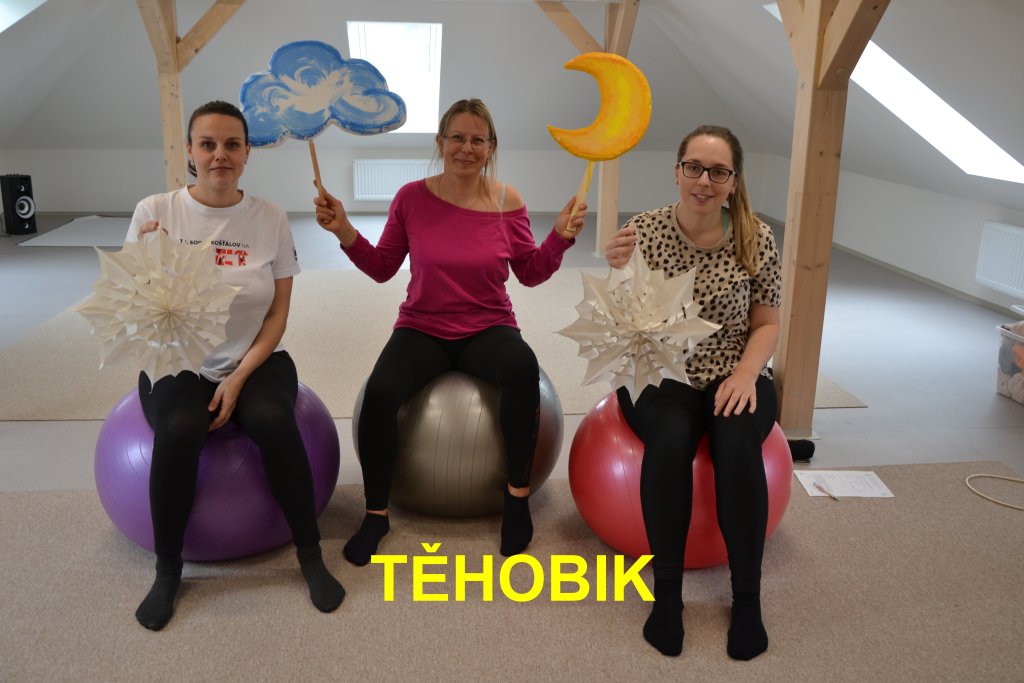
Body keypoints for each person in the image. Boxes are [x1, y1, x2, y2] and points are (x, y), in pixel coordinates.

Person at [313, 98, 587, 564]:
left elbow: (530, 272)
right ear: (440, 142)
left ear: (491, 146)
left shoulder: (507, 201)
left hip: (488, 325)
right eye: (457, 137)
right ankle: (376, 513)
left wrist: (559, 237)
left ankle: (517, 500)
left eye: (478, 140)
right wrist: (344, 230)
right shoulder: (410, 198)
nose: (467, 148)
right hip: (422, 325)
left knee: (522, 368)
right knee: (380, 393)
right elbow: (382, 267)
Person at [126, 100, 344, 631]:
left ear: (247, 153)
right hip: (178, 356)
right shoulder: (155, 211)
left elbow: (278, 313)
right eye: (208, 144)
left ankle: (310, 555)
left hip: (255, 354)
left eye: (231, 145)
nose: (219, 155)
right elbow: (134, 302)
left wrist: (241, 376)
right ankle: (168, 571)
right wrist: (151, 267)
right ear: (190, 152)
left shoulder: (269, 217)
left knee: (271, 419)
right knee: (181, 428)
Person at [603, 125, 782, 660]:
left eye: (718, 171)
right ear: (677, 171)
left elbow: (767, 323)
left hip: (734, 368)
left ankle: (746, 600)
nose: (704, 181)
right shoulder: (644, 231)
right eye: (694, 168)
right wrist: (616, 269)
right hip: (663, 370)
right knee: (671, 441)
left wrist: (746, 374)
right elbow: (619, 316)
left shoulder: (756, 237)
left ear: (733, 181)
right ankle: (667, 597)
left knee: (735, 445)